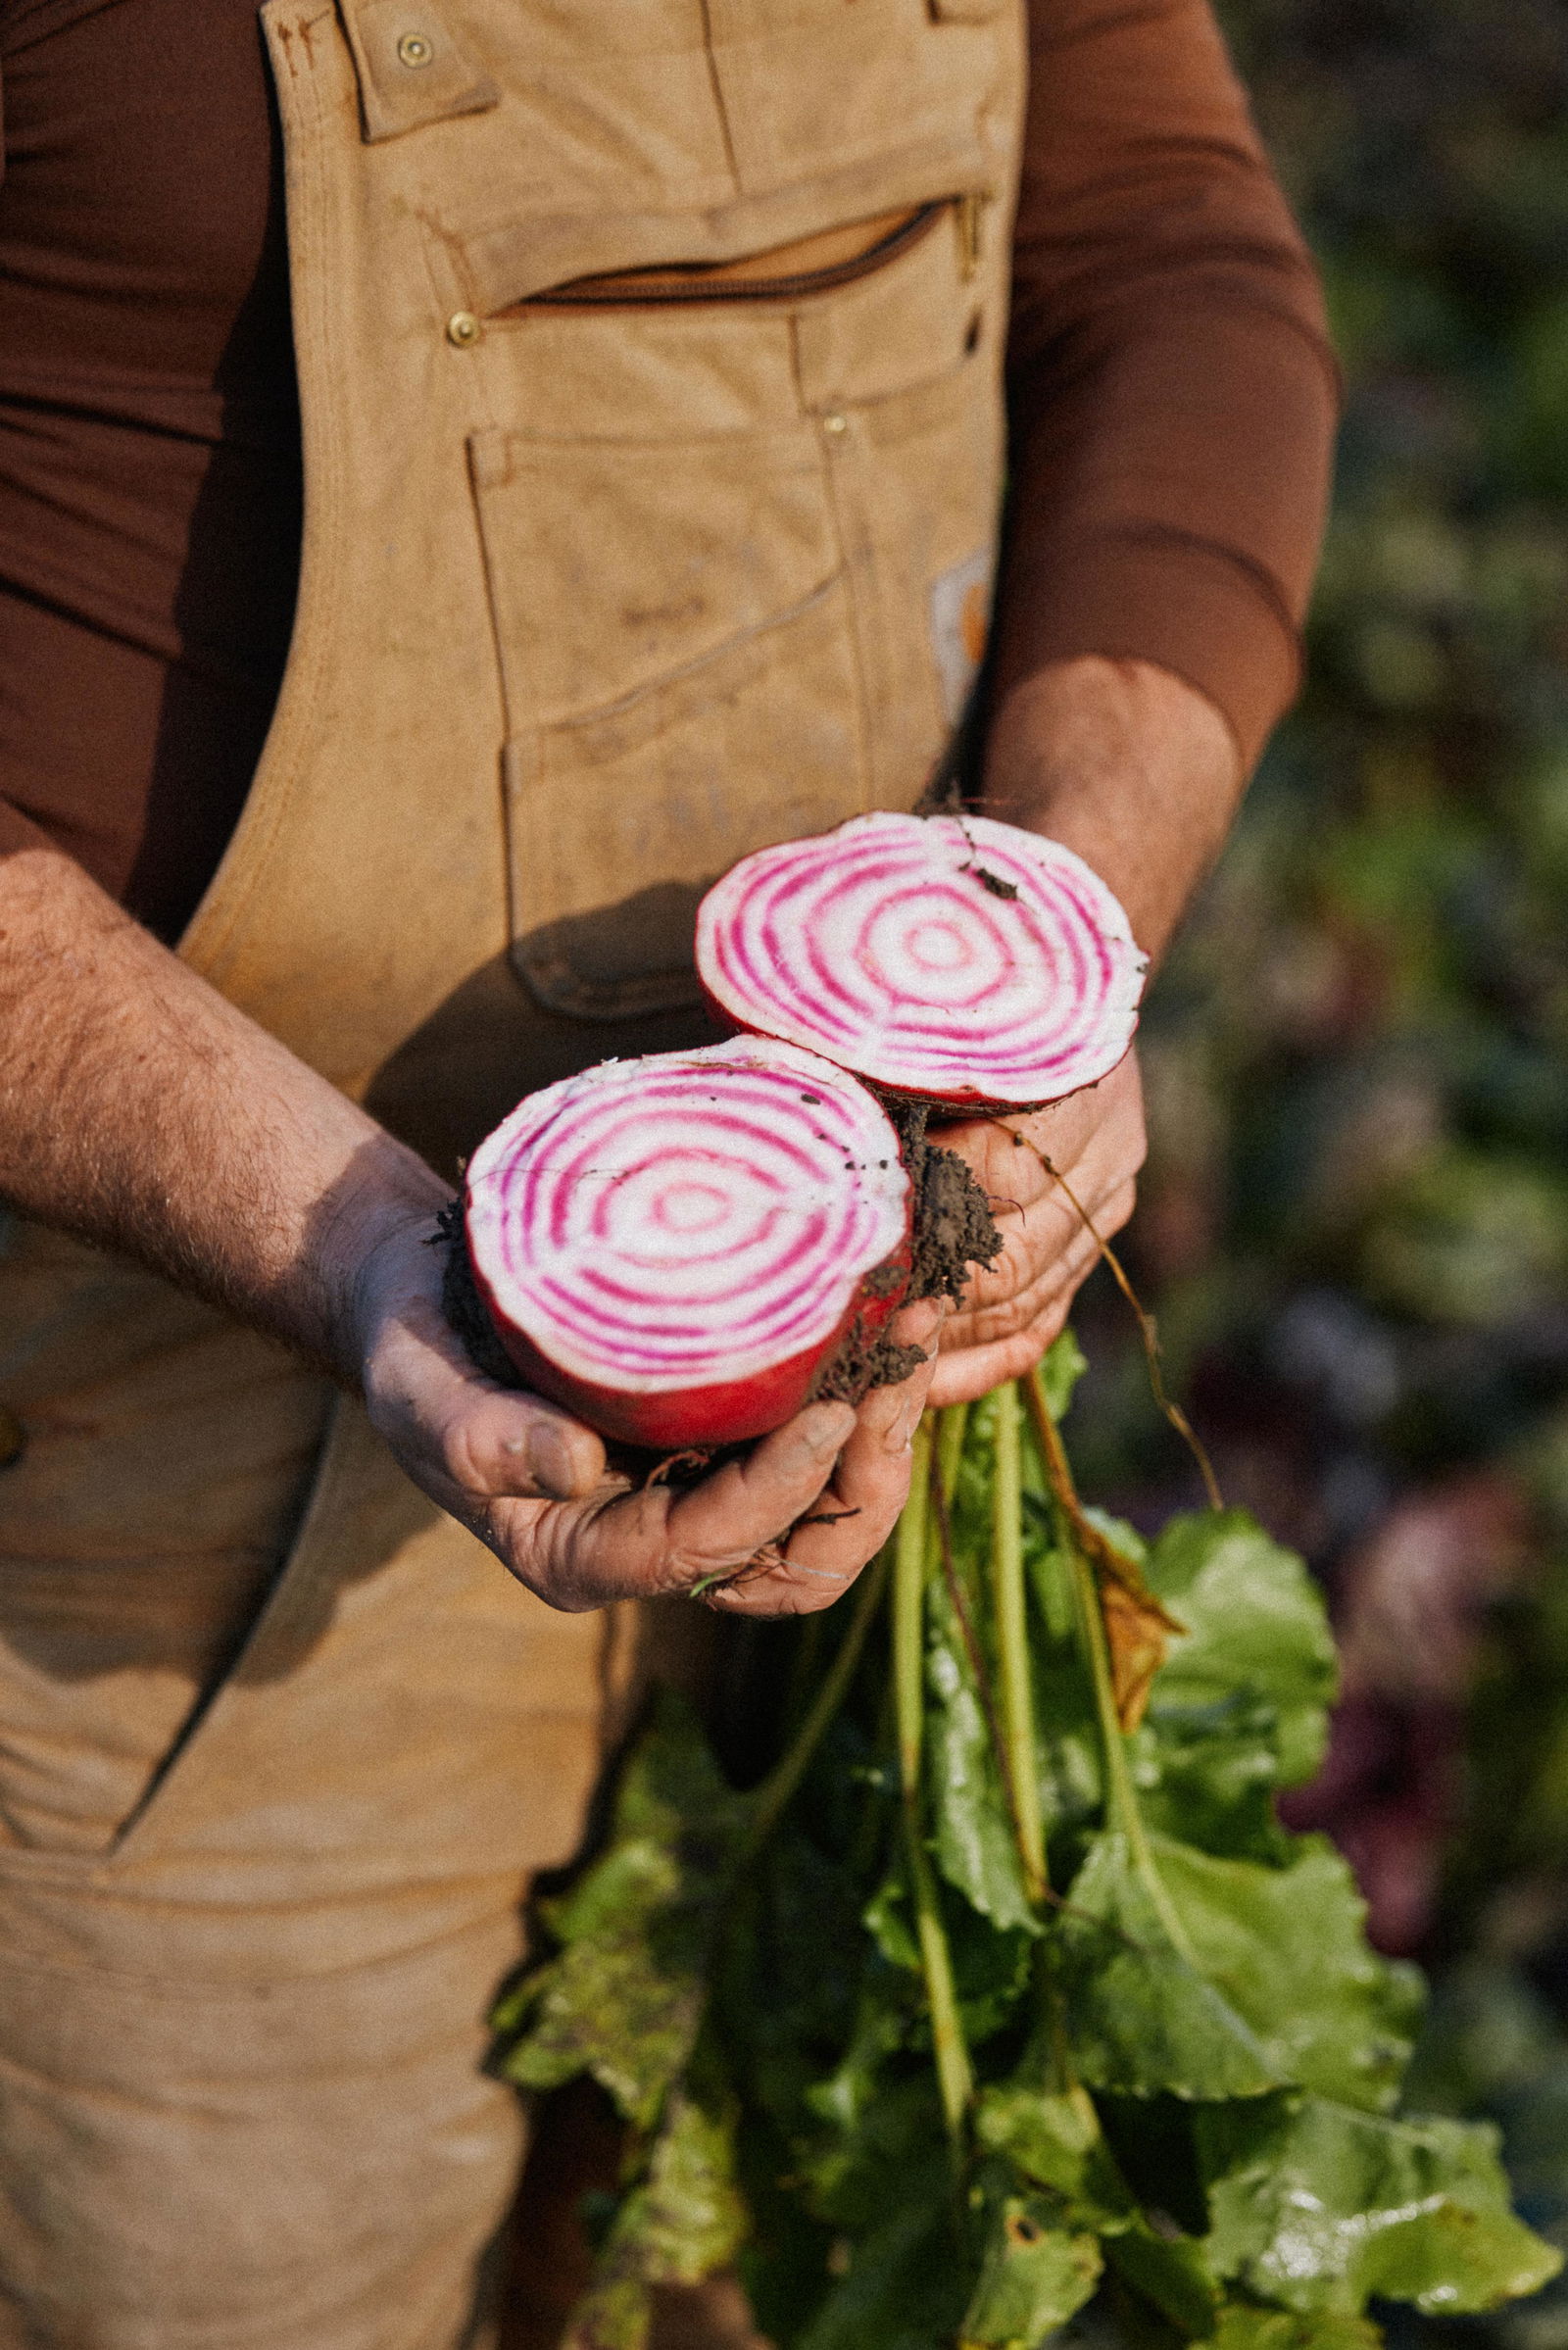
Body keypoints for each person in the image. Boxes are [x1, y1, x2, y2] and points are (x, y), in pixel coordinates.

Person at [0, 0, 1336, 2341]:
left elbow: (1157, 248)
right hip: (155, 1500)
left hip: (895, 1358)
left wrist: (1051, 939)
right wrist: (356, 1255)